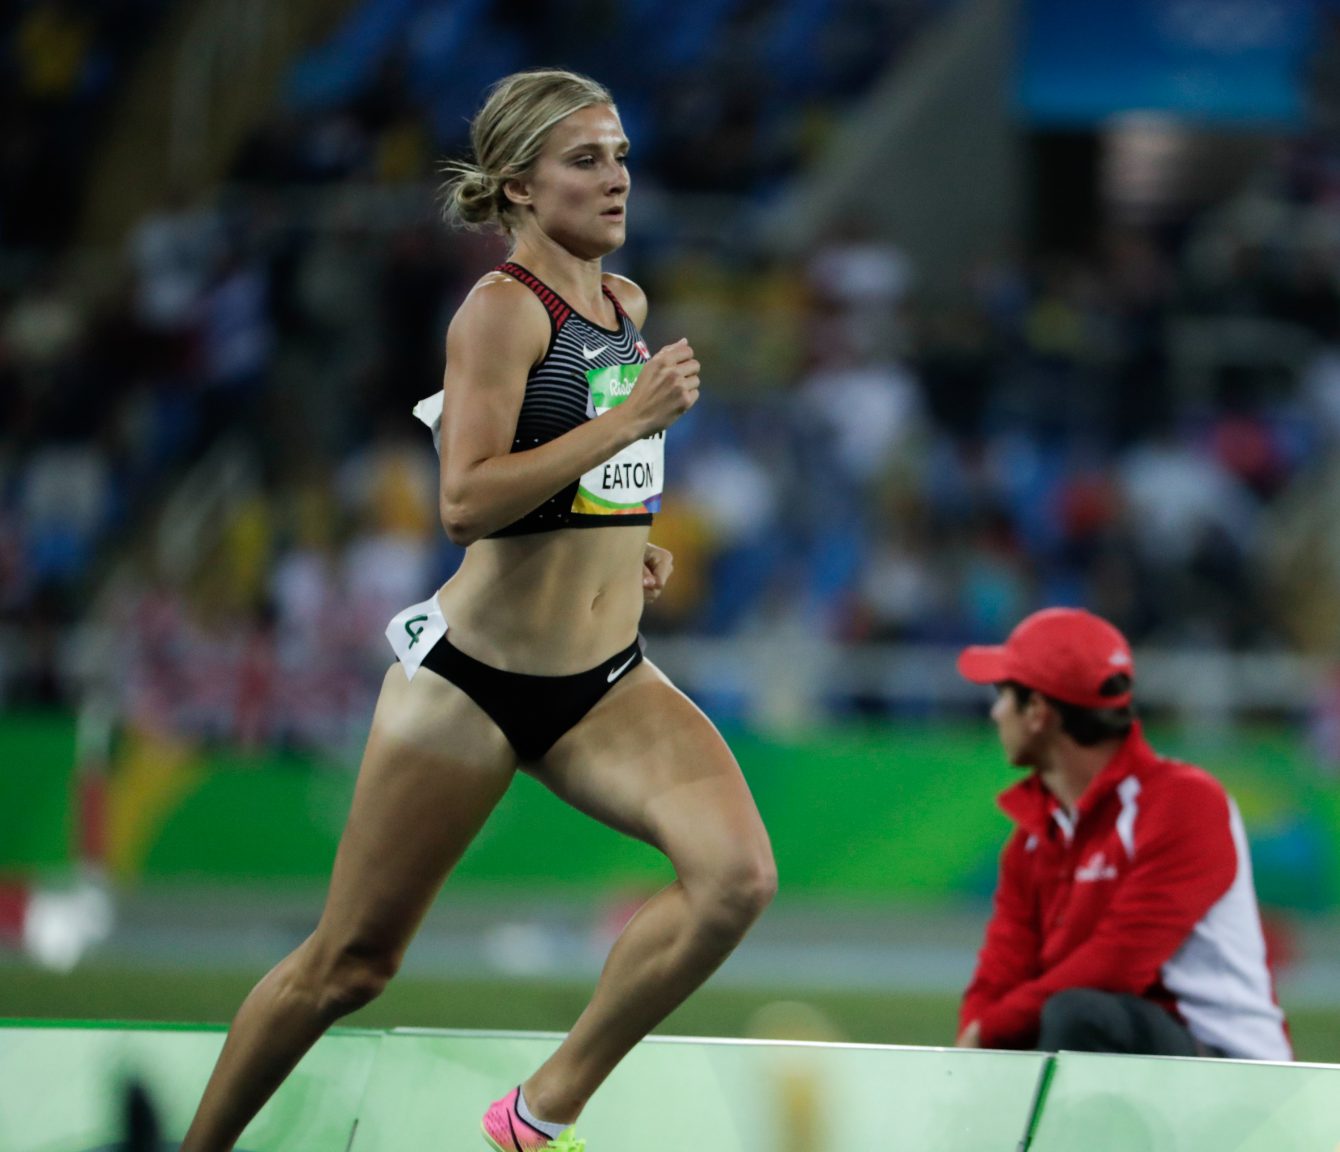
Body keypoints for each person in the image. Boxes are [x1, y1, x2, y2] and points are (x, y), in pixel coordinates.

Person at [179, 69, 776, 1152]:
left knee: (734, 880)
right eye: (584, 159)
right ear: (515, 184)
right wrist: (632, 421)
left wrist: (621, 542)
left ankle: (535, 1116)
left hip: (603, 681)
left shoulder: (623, 303)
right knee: (348, 966)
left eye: (622, 156)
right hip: (474, 684)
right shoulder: (498, 312)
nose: (615, 180)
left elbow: (577, 474)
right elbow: (464, 500)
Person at [953, 606, 1291, 1061]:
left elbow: (1116, 967)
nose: (995, 713)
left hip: (1235, 1076)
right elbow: (999, 972)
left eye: (1001, 694)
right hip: (1136, 1068)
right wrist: (974, 1043)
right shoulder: (1031, 841)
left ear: (1037, 711)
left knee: (1078, 1016)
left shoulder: (1184, 804)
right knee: (1060, 1020)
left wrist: (987, 1032)